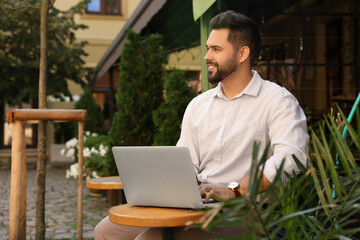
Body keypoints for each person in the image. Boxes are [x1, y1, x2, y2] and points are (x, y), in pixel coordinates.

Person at [94, 10, 309, 239]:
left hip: (248, 212)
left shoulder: (278, 100)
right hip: (199, 207)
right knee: (106, 232)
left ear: (243, 53)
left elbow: (292, 158)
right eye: (208, 48)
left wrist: (233, 190)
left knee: (151, 238)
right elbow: (185, 161)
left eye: (216, 49)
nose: (207, 56)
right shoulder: (198, 105)